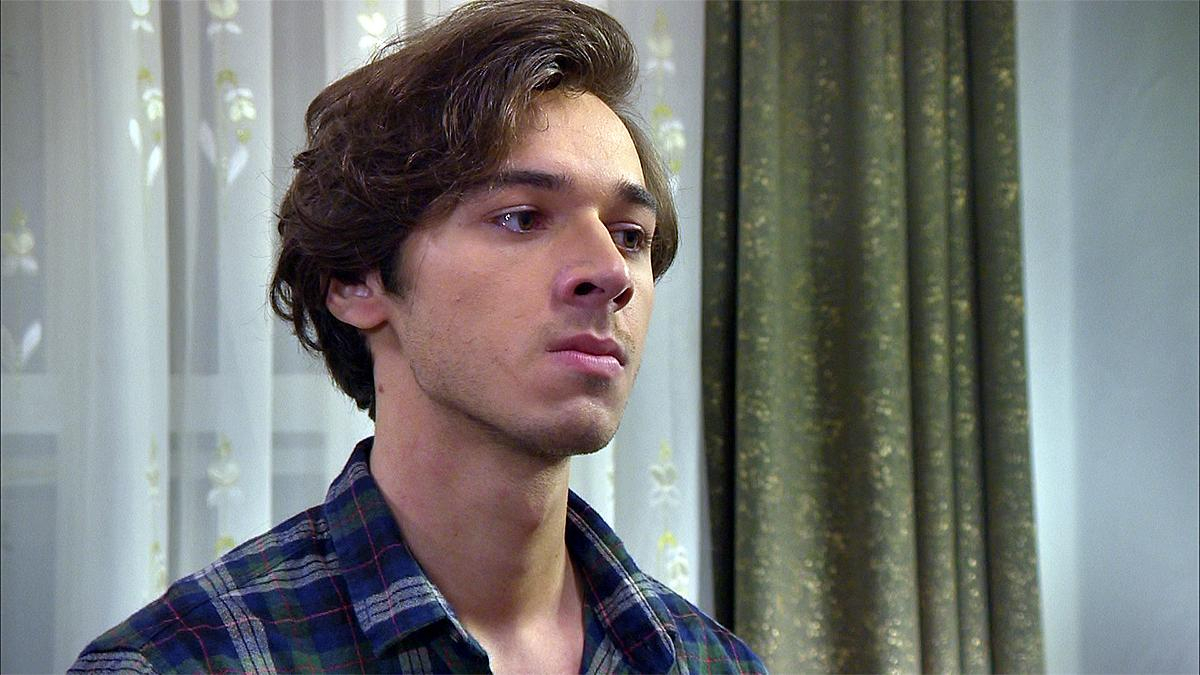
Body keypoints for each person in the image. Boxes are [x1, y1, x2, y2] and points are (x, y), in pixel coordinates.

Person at [72, 0, 765, 672]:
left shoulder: (714, 664)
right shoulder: (180, 661)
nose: (610, 273)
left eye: (631, 235)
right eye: (522, 218)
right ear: (357, 279)